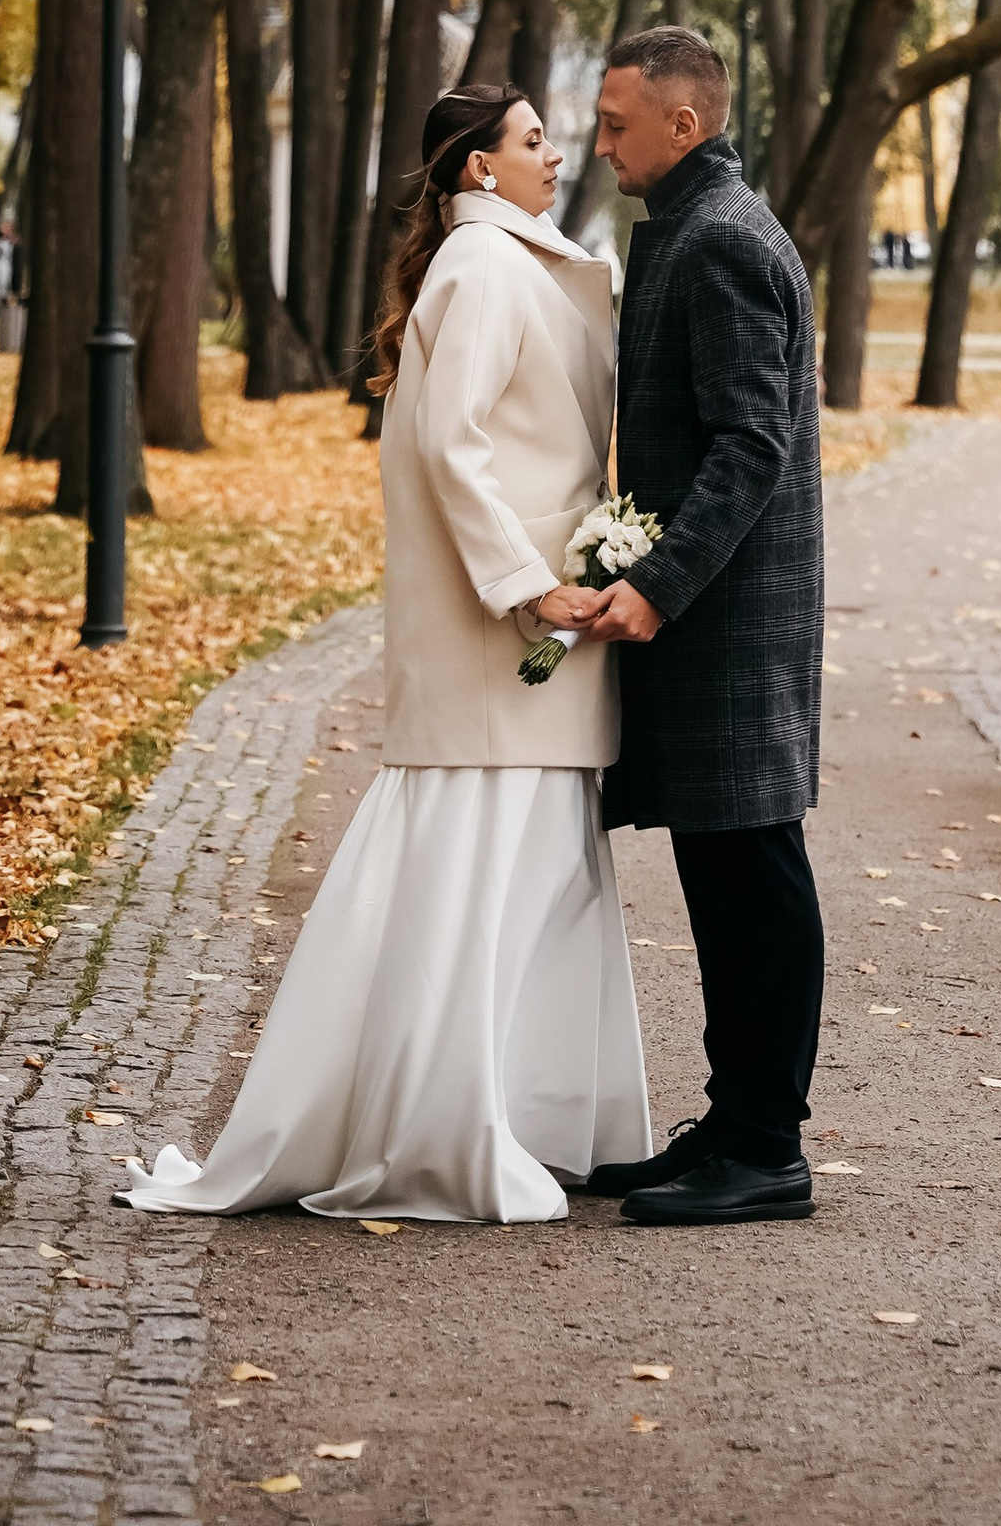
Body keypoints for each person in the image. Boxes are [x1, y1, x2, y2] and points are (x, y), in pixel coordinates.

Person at [120, 81, 652, 1224]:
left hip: (538, 632)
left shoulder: (511, 263)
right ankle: (449, 1132)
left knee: (532, 875)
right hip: (502, 631)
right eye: (529, 140)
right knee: (481, 869)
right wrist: (529, 588)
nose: (555, 154)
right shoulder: (482, 270)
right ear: (476, 169)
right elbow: (443, 454)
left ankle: (521, 1113)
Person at [575, 22, 825, 1226]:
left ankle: (767, 1146)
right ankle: (733, 1125)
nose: (601, 140)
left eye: (618, 121)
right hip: (712, 613)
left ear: (687, 122)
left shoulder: (720, 242)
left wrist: (659, 582)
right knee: (723, 876)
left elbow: (751, 445)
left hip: (728, 616)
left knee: (753, 872)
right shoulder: (693, 228)